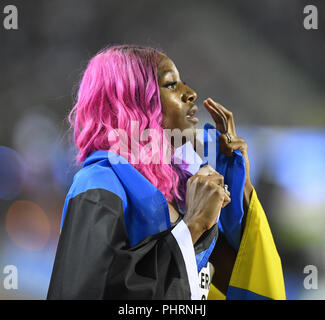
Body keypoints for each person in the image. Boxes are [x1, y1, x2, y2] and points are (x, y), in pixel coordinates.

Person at [47, 45, 286, 300]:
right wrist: (192, 226)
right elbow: (87, 292)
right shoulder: (97, 183)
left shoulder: (179, 186)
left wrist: (241, 186)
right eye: (171, 85)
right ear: (133, 100)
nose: (191, 93)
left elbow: (229, 282)